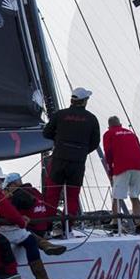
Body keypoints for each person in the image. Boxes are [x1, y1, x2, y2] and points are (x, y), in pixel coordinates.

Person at [0, 167, 64, 279]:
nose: (2, 183)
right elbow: (9, 212)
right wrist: (21, 221)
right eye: (1, 180)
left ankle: (46, 249)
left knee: (27, 235)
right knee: (29, 240)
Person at [42, 87, 101, 227]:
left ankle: (47, 227)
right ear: (85, 101)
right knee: (72, 196)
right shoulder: (91, 119)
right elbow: (95, 142)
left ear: (71, 100)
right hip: (77, 162)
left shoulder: (60, 115)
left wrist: (59, 142)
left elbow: (46, 133)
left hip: (58, 159)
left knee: (52, 194)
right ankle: (67, 228)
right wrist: (82, 151)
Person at [103, 116, 140, 232]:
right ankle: (139, 223)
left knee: (117, 196)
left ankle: (115, 222)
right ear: (120, 124)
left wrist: (110, 173)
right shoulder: (131, 133)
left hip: (122, 167)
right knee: (134, 195)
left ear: (109, 126)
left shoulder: (109, 133)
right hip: (138, 167)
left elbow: (108, 153)